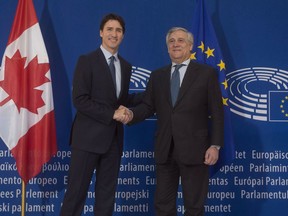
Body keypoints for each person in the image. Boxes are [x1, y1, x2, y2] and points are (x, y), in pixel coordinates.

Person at [116, 27, 224, 216]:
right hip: (165, 149)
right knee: (163, 205)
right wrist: (131, 115)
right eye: (172, 41)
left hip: (195, 149)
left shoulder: (206, 73)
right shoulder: (157, 76)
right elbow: (148, 106)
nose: (176, 44)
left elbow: (217, 112)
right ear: (167, 48)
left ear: (190, 46)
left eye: (181, 41)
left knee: (194, 206)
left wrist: (215, 145)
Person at [60, 13, 142, 216]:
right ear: (101, 33)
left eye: (118, 30)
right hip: (87, 140)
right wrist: (112, 114)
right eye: (110, 29)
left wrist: (154, 95)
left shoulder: (125, 66)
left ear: (123, 35)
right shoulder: (86, 61)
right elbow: (80, 99)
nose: (114, 34)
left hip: (113, 142)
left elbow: (120, 100)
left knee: (106, 198)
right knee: (75, 195)